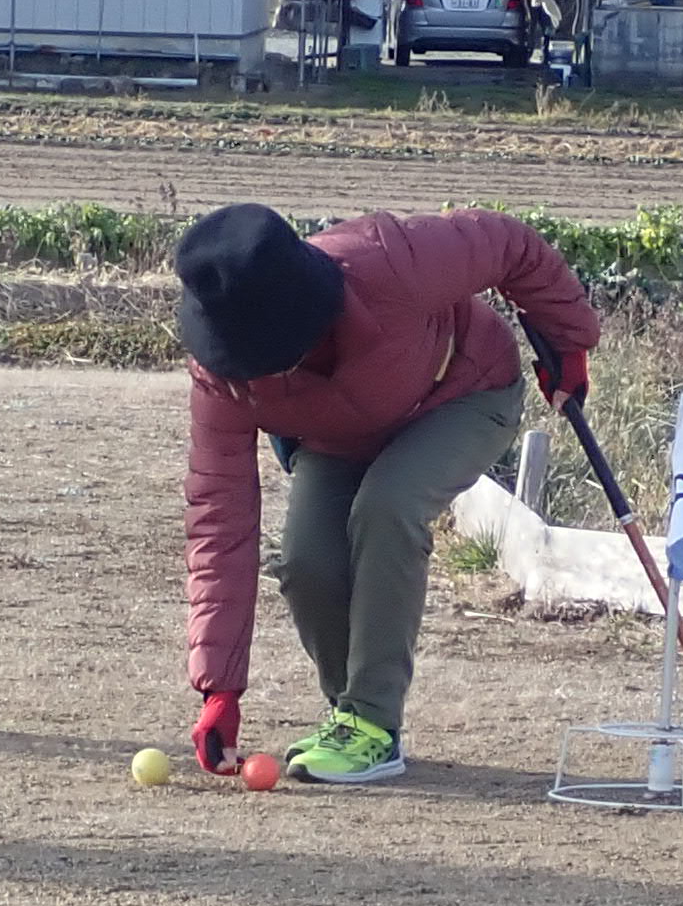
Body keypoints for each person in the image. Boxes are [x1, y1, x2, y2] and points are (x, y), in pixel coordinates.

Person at [176, 203, 597, 783]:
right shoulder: (220, 378)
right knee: (305, 562)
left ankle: (374, 725)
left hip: (464, 392)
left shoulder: (390, 260)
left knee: (389, 506)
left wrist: (569, 341)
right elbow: (219, 521)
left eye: (275, 356)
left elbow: (509, 244)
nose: (264, 376)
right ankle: (350, 719)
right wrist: (218, 689)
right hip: (339, 434)